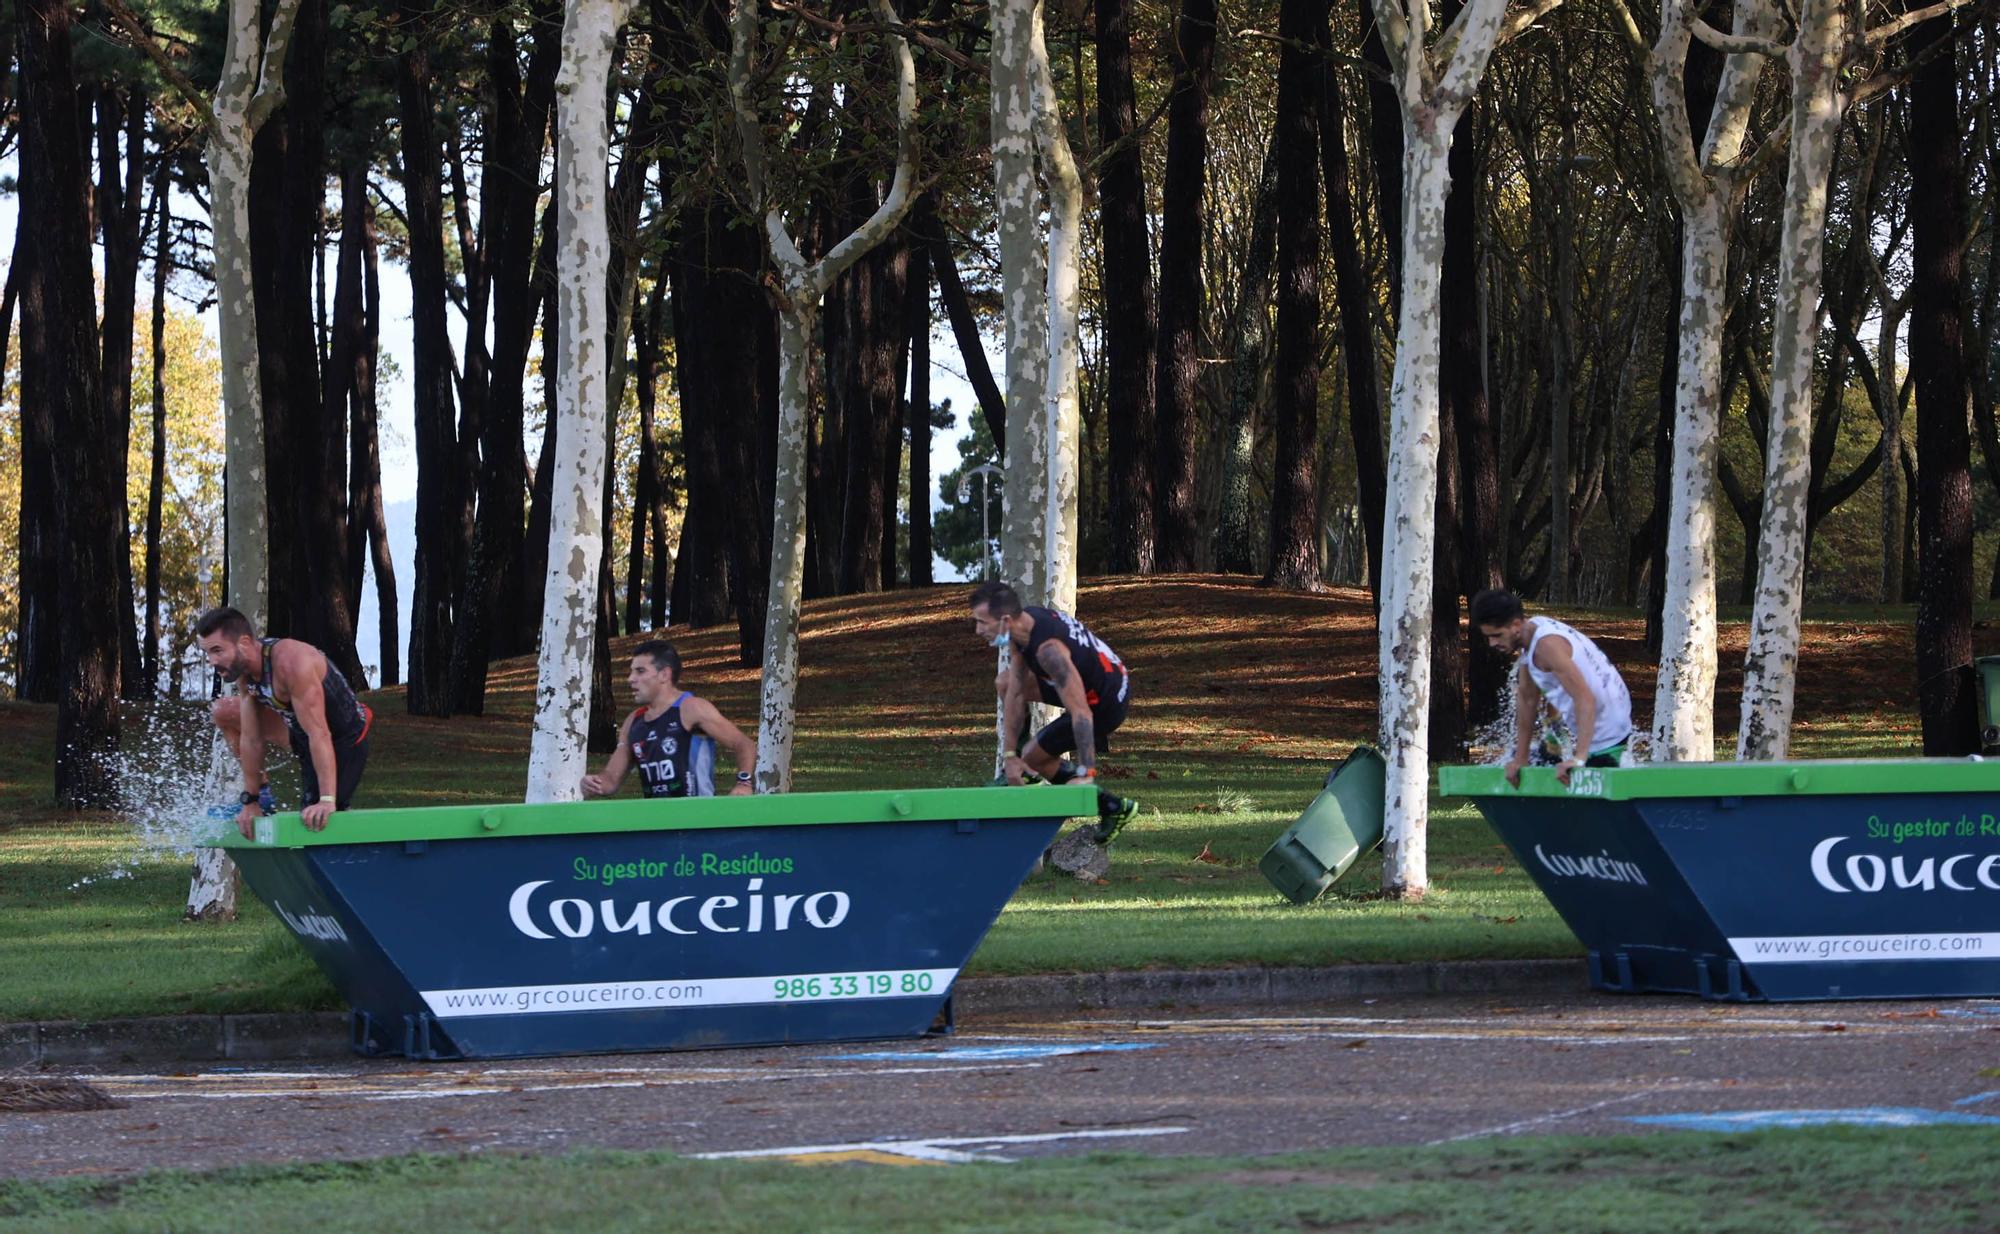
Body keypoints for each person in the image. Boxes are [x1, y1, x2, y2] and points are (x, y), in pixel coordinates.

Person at [969, 581, 1139, 842]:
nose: (978, 630)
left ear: (1004, 620)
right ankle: (1025, 767)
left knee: (1036, 757)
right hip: (1087, 684)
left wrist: (1087, 772)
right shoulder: (1024, 627)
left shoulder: (1050, 652)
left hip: (1105, 703)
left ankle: (1114, 808)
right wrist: (1010, 756)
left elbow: (1081, 713)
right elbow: (1014, 692)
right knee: (1004, 683)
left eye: (982, 622)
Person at [196, 607, 373, 839]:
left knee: (317, 820)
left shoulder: (292, 663)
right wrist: (251, 799)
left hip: (344, 738)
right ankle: (265, 797)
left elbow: (319, 734)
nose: (211, 661)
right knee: (223, 711)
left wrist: (327, 800)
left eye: (217, 651)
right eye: (207, 653)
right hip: (299, 731)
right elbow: (251, 738)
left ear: (244, 642)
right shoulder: (244, 671)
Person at [1471, 588, 1634, 787]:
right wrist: (1521, 759)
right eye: (1488, 636)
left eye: (1497, 635)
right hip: (1597, 721)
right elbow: (1528, 698)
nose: (1492, 643)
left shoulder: (1547, 647)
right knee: (1528, 759)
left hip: (1608, 735)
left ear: (1515, 625)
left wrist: (1579, 758)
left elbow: (1585, 698)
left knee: (1582, 801)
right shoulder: (1531, 633)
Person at [582, 641, 757, 799]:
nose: (630, 679)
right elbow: (611, 780)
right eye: (631, 672)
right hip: (657, 824)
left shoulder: (692, 708)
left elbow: (743, 744)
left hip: (698, 821)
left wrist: (744, 783)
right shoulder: (633, 721)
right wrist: (592, 784)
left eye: (640, 671)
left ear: (664, 674)